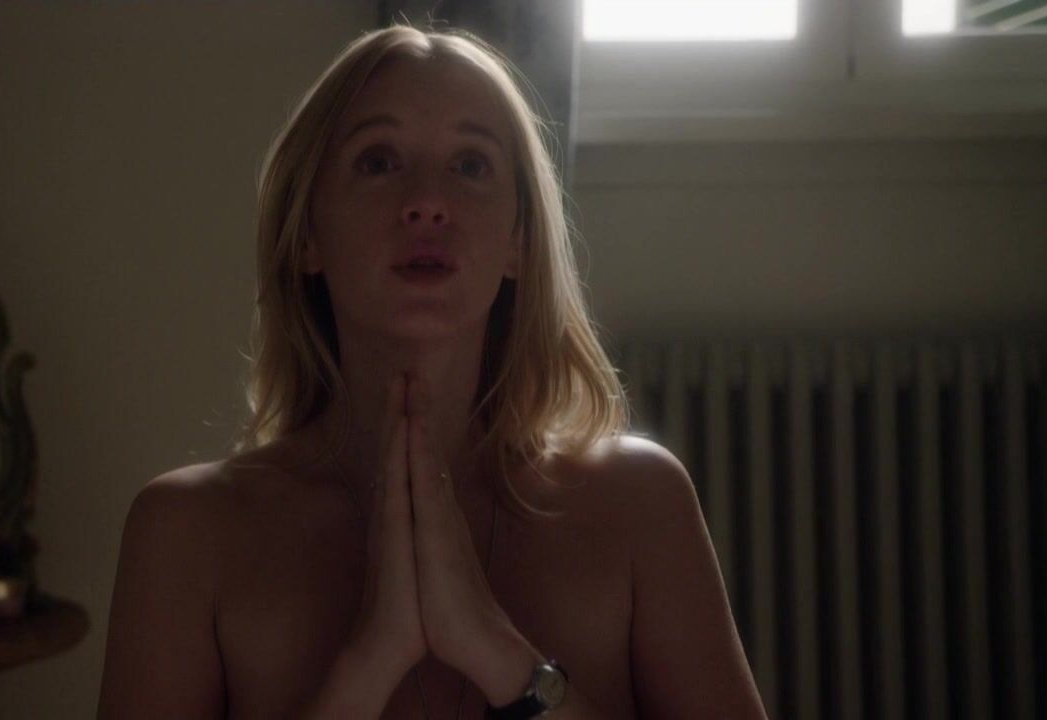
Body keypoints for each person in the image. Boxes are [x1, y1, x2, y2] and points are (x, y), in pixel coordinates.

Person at [97, 23, 766, 720]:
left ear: (519, 240)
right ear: (307, 234)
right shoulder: (188, 535)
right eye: (378, 161)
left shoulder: (639, 505)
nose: (427, 201)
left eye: (470, 165)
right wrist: (372, 657)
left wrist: (496, 651)